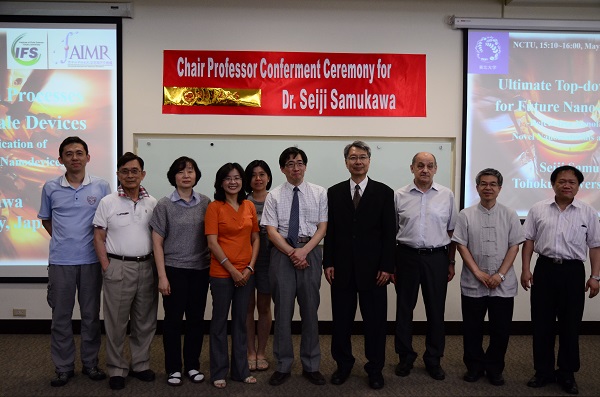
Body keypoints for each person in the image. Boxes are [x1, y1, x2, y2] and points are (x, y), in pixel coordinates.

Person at [38, 136, 110, 387]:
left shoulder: (101, 186)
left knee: (91, 316)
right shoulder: (50, 187)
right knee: (60, 317)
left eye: (79, 153)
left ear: (88, 157)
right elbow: (46, 220)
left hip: (91, 261)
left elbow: (106, 222)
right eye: (69, 154)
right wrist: (64, 239)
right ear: (60, 160)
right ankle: (63, 367)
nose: (75, 158)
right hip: (61, 262)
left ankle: (90, 363)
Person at [521, 165, 600, 395]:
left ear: (578, 186)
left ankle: (567, 373)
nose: (566, 185)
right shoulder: (538, 209)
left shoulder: (588, 212)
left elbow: (595, 246)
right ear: (553, 184)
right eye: (562, 181)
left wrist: (595, 276)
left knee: (570, 325)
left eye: (572, 182)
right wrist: (526, 270)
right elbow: (528, 242)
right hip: (544, 269)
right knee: (542, 323)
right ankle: (543, 372)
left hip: (573, 272)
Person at [323, 141, 396, 390]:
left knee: (375, 324)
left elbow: (390, 233)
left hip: (375, 272)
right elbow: (329, 231)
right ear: (346, 162)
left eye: (362, 157)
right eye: (353, 158)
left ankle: (375, 369)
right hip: (341, 269)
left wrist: (388, 267)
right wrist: (328, 262)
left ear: (369, 161)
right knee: (341, 322)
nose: (358, 162)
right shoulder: (333, 193)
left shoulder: (385, 192)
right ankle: (343, 365)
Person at [261, 147, 328, 386]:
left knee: (310, 311)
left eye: (299, 163)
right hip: (282, 255)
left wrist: (304, 251)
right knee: (283, 313)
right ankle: (283, 365)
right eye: (290, 164)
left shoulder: (319, 192)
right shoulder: (274, 195)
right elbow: (270, 230)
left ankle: (311, 365)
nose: (295, 168)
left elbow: (322, 227)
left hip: (310, 253)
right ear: (282, 169)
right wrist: (292, 252)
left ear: (305, 166)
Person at [451, 168, 524, 386]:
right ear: (477, 188)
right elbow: (461, 245)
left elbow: (514, 247)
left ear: (499, 188)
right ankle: (474, 366)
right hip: (474, 281)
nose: (488, 188)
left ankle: (494, 368)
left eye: (493, 184)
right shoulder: (466, 214)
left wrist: (500, 274)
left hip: (503, 283)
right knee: (472, 328)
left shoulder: (510, 214)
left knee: (500, 330)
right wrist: (478, 272)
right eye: (483, 184)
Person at [92, 152, 158, 390]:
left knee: (145, 321)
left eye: (134, 171)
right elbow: (98, 237)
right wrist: (106, 266)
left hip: (147, 267)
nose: (130, 175)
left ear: (143, 174)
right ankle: (117, 368)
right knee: (116, 322)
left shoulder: (153, 203)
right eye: (125, 171)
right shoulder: (108, 202)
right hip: (118, 267)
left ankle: (140, 365)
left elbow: (158, 238)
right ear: (118, 174)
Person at [393, 151, 457, 381]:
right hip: (406, 257)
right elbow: (392, 232)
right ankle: (405, 357)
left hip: (436, 258)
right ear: (412, 168)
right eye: (420, 165)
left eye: (430, 165)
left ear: (435, 169)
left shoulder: (447, 195)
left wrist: (450, 261)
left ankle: (433, 359)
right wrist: (393, 265)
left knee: (435, 311)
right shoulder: (399, 195)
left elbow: (452, 232)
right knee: (404, 310)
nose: (425, 170)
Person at [149, 156, 211, 387]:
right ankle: (174, 368)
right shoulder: (164, 205)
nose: (186, 175)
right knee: (173, 321)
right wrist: (162, 276)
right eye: (181, 171)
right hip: (174, 270)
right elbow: (157, 243)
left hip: (200, 270)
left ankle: (192, 365)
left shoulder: (206, 202)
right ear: (173, 176)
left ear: (196, 175)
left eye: (191, 171)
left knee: (196, 321)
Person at [205, 162, 260, 388]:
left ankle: (240, 370)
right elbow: (212, 242)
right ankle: (218, 371)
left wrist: (249, 268)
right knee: (219, 323)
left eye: (237, 177)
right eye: (228, 178)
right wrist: (232, 270)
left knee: (240, 322)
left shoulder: (249, 206)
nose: (233, 181)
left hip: (246, 273)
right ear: (220, 182)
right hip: (221, 273)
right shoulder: (214, 207)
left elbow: (256, 239)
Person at [244, 160, 273, 372]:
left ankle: (262, 352)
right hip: (243, 261)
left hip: (268, 261)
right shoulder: (241, 201)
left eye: (262, 174)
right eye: (254, 175)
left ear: (269, 177)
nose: (258, 179)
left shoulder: (276, 200)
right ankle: (249, 352)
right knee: (247, 308)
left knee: (264, 307)